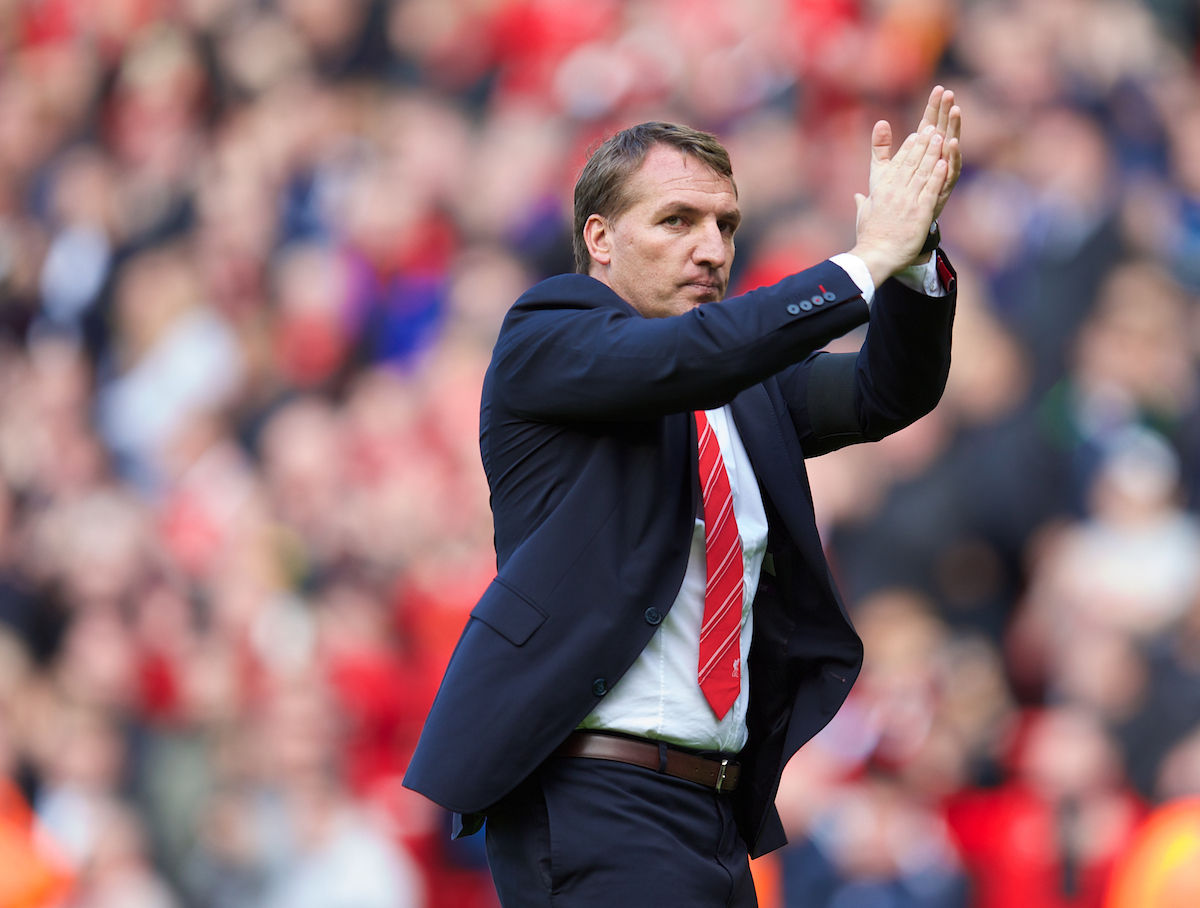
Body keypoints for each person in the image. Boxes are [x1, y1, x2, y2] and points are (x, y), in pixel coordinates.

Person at [404, 87, 963, 907]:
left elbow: (890, 390)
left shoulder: (740, 383)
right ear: (599, 238)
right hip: (593, 796)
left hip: (713, 811)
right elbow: (686, 359)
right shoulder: (546, 333)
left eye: (726, 226)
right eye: (677, 221)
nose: (711, 248)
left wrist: (911, 256)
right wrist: (860, 264)